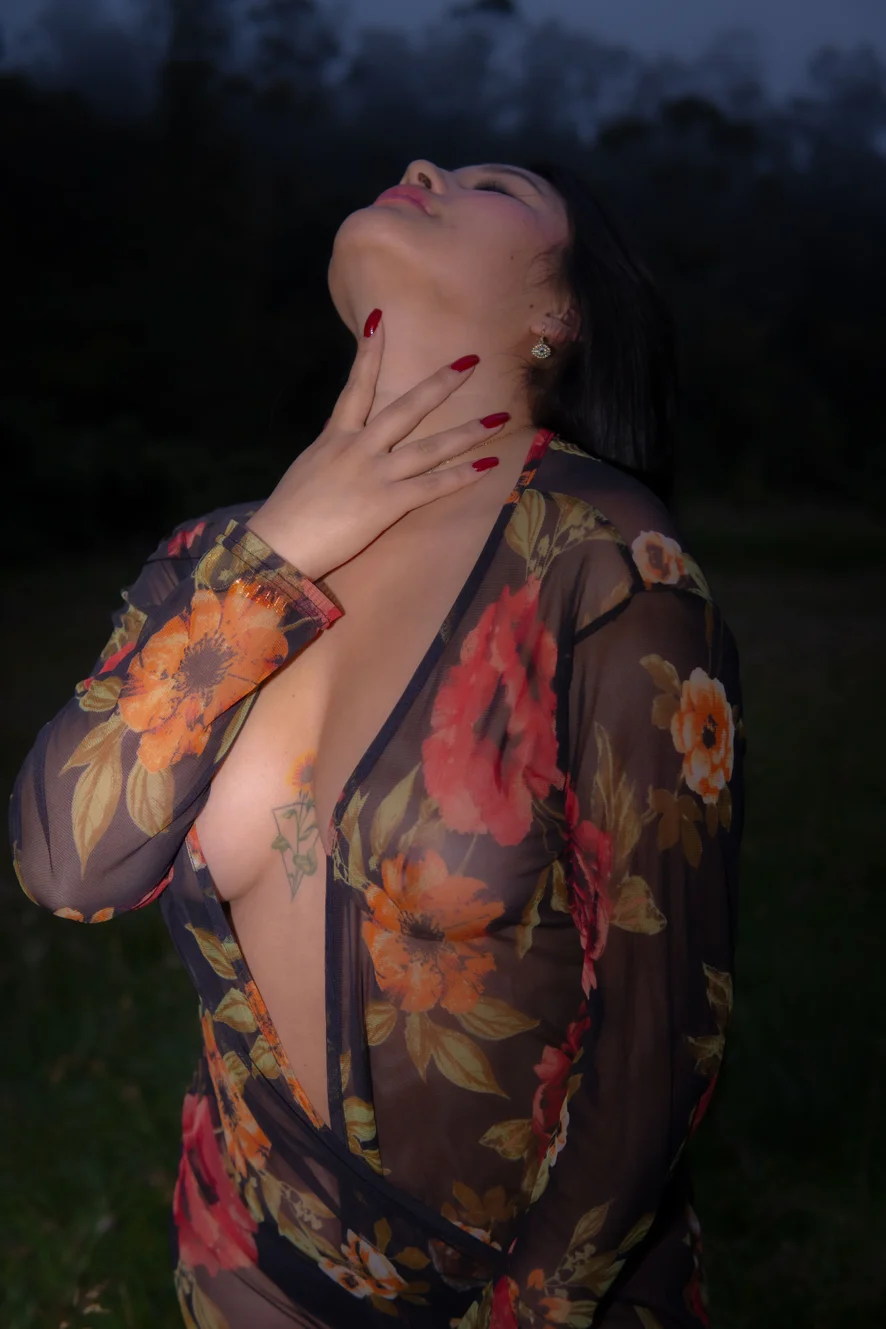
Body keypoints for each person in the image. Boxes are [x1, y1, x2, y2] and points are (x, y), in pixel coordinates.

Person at [10, 158, 745, 1328]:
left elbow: (662, 1029)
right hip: (247, 1272)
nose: (421, 167)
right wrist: (273, 557)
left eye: (493, 182)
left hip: (535, 1295)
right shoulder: (212, 556)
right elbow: (67, 863)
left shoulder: (606, 564)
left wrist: (534, 1309)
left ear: (562, 316)